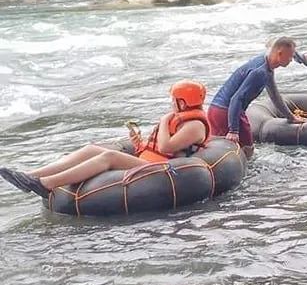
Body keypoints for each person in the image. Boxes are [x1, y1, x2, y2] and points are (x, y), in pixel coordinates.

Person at [0, 81, 211, 200]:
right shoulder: (182, 119)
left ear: (183, 101)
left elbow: (166, 147)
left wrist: (165, 120)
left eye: (174, 100)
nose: (171, 103)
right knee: (93, 149)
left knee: (108, 156)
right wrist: (139, 144)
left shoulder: (194, 126)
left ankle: (46, 184)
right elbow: (160, 147)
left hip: (164, 170)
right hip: (150, 160)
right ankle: (30, 177)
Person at [209, 36, 300, 157]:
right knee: (245, 151)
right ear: (280, 53)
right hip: (225, 111)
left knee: (243, 150)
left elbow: (275, 96)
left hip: (221, 110)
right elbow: (236, 98)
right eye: (290, 56)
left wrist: (291, 117)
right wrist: (233, 130)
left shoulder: (267, 66)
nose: (291, 60)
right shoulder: (260, 72)